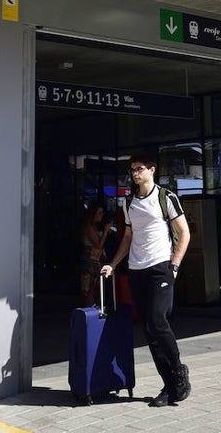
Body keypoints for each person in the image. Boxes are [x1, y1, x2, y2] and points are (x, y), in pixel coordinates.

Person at [100, 155, 192, 407]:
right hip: (137, 270)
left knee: (157, 321)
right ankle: (169, 385)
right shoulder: (129, 202)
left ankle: (178, 372)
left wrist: (174, 266)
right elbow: (128, 238)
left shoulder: (166, 197)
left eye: (139, 169)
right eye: (132, 170)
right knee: (149, 330)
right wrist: (114, 264)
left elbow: (184, 233)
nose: (134, 174)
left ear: (152, 170)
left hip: (161, 267)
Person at [79, 200, 107, 306]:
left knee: (96, 287)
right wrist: (105, 232)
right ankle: (89, 310)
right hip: (90, 260)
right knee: (89, 287)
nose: (101, 215)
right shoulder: (88, 226)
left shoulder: (95, 226)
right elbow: (98, 245)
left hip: (96, 260)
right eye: (99, 213)